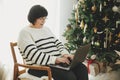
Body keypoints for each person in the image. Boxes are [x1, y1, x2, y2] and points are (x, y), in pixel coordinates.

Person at [17, 5, 88, 80]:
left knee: (82, 68)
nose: (43, 21)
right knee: (69, 76)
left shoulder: (46, 29)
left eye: (45, 18)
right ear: (33, 17)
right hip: (38, 67)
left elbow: (58, 43)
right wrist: (55, 60)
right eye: (41, 18)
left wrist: (65, 54)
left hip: (55, 63)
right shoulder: (24, 32)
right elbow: (33, 55)